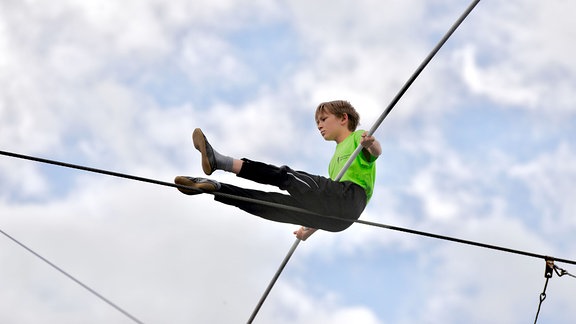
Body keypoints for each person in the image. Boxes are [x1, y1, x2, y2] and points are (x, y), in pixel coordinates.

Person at [174, 100, 381, 241]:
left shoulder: (358, 138)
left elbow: (375, 153)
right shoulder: (333, 162)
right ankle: (216, 188)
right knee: (267, 205)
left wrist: (370, 143)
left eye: (323, 119)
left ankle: (220, 162)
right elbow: (326, 199)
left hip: (350, 198)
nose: (319, 125)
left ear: (343, 119)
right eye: (317, 122)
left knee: (285, 176)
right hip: (338, 218)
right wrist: (308, 231)